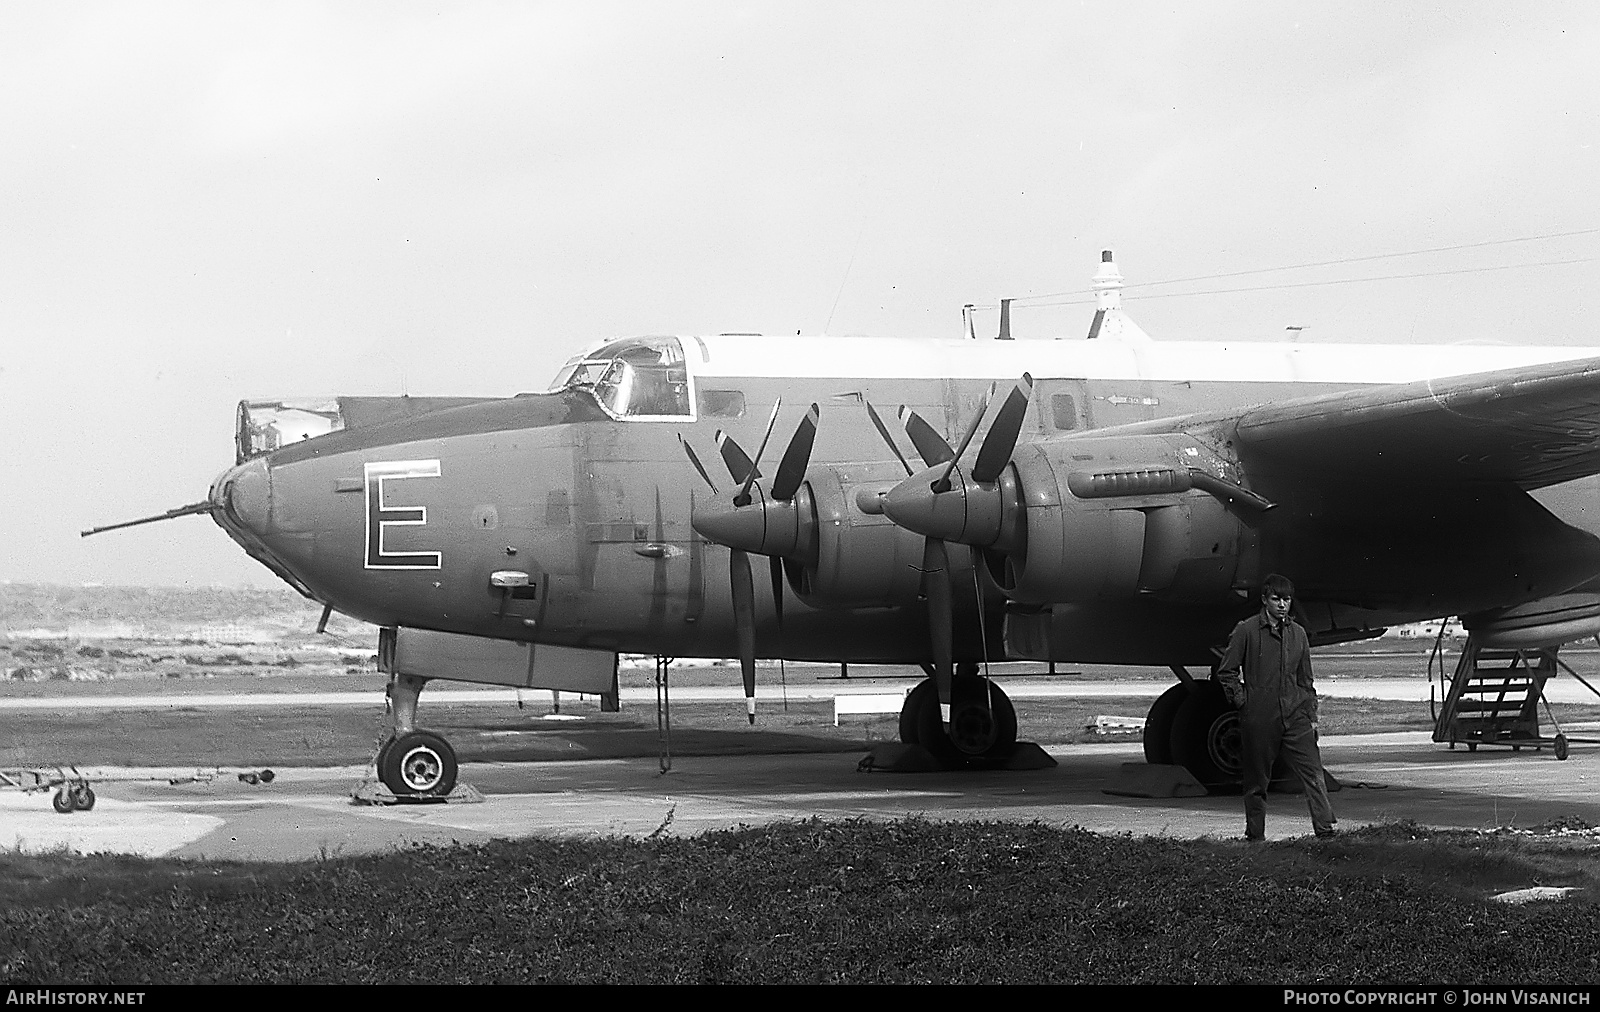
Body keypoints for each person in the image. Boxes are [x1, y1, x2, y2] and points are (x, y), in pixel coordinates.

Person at [1215, 573, 1337, 841]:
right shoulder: (1246, 630)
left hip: (1296, 715)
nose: (1282, 605)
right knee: (1257, 782)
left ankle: (1326, 832)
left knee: (1314, 773)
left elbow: (1306, 679)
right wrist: (1243, 701)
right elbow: (1226, 671)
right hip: (1259, 717)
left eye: (1287, 599)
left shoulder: (1299, 634)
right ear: (1264, 600)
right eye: (1276, 599)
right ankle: (1255, 837)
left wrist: (1311, 715)